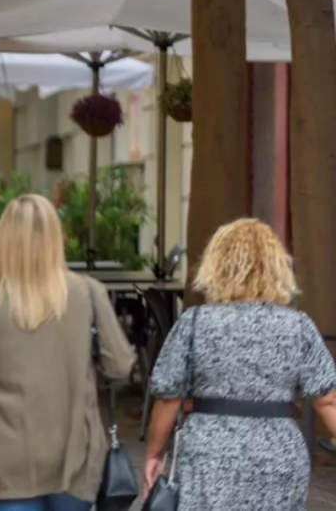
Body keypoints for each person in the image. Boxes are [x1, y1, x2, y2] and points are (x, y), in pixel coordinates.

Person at [0, 195, 134, 511]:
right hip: (74, 453)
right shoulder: (88, 294)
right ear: (56, 239)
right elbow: (119, 366)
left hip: (6, 459)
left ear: (4, 240)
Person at [143, 219, 336, 511]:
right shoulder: (298, 326)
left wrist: (154, 455)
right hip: (279, 455)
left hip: (208, 455)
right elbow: (328, 399)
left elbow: (168, 397)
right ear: (277, 267)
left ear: (216, 266)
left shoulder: (195, 323)